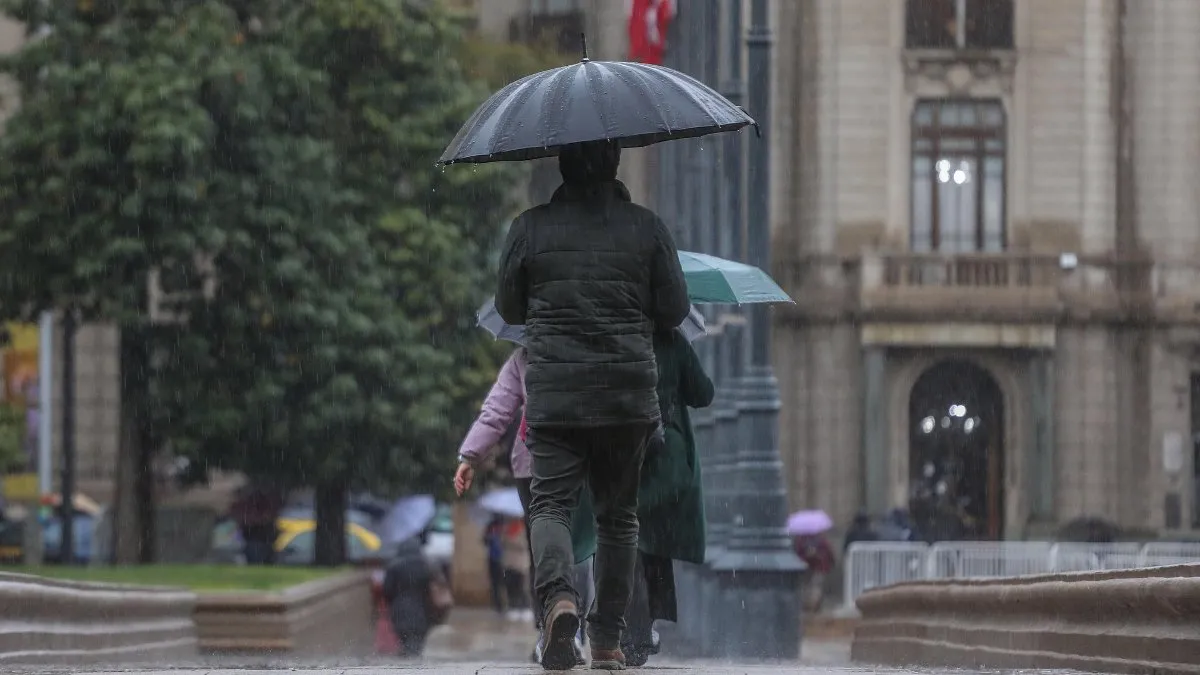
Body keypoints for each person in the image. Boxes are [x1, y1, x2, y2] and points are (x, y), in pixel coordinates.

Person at [495, 139, 690, 670]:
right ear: (615, 165)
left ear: (561, 166)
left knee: (551, 505)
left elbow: (508, 306)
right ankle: (607, 639)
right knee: (618, 518)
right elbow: (675, 309)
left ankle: (559, 599)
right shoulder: (647, 227)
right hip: (627, 395)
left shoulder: (529, 227)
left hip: (556, 395)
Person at [453, 346, 594, 664]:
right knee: (582, 546)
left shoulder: (526, 355)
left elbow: (497, 411)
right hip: (584, 457)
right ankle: (577, 629)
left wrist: (471, 455)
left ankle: (549, 630)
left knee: (541, 549)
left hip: (532, 462)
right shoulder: (594, 341)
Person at [622, 326, 714, 665]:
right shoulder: (673, 340)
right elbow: (703, 393)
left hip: (626, 445)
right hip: (666, 454)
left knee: (627, 532)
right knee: (652, 538)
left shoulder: (621, 334)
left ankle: (632, 622)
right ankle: (643, 625)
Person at [382, 531, 434, 658]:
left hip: (400, 608)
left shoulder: (394, 566)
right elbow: (429, 587)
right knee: (417, 642)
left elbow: (387, 589)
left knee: (405, 641)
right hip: (421, 609)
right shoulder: (425, 565)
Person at [483, 515, 507, 617]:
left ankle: (502, 605)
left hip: (501, 560)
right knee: (495, 584)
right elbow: (484, 541)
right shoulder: (490, 531)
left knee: (500, 583)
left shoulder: (503, 531)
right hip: (493, 559)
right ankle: (498, 606)